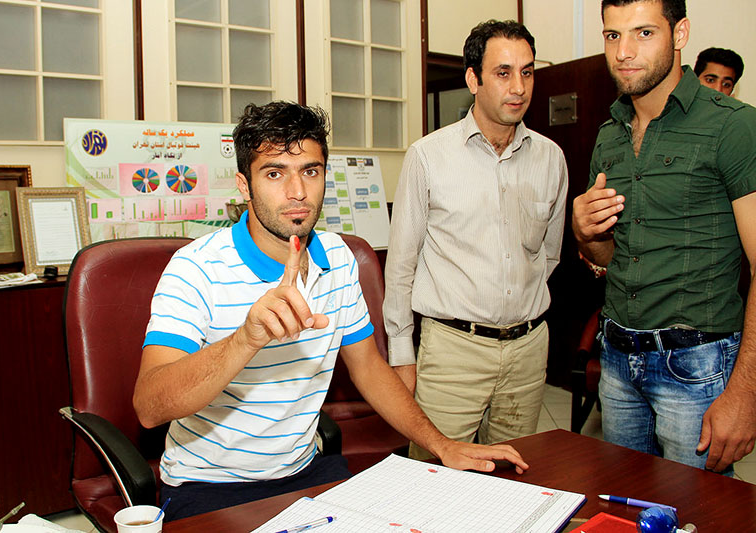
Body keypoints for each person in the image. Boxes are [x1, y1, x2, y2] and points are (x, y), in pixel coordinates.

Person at [132, 101, 528, 521]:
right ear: (244, 186)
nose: (297, 192)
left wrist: (441, 444)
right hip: (208, 485)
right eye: (274, 174)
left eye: (310, 171)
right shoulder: (197, 268)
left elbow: (368, 368)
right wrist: (245, 340)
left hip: (306, 471)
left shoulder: (338, 259)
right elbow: (149, 407)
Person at [572, 0, 756, 474]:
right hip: (617, 360)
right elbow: (609, 257)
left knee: (697, 508)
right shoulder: (609, 135)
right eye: (613, 36)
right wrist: (585, 233)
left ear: (680, 34)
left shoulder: (733, 125)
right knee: (626, 502)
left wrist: (745, 393)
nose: (624, 52)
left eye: (644, 33)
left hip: (696, 364)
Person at [383, 20, 568, 460]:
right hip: (453, 351)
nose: (518, 87)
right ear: (473, 79)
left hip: (527, 350)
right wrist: (401, 353)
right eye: (503, 73)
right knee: (433, 477)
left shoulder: (550, 158)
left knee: (514, 474)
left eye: (527, 72)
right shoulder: (428, 156)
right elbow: (402, 265)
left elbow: (549, 255)